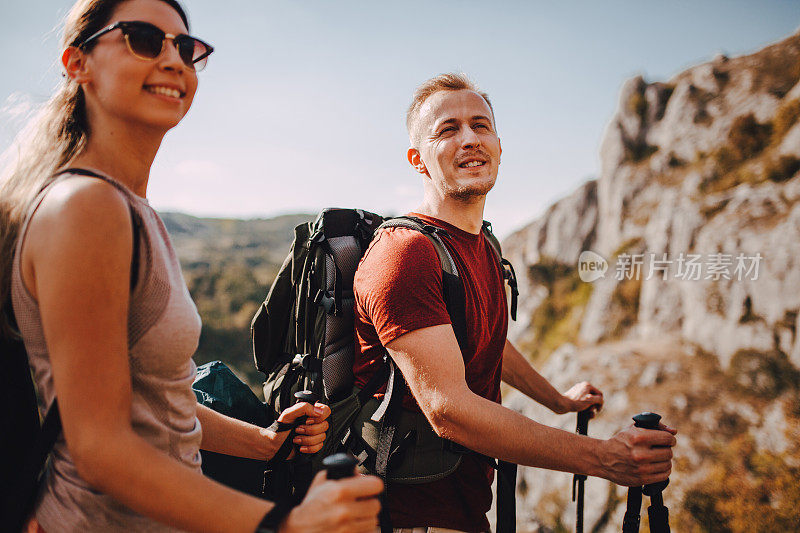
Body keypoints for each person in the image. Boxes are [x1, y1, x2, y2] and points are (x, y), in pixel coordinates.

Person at [0, 0, 382, 531]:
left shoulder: (131, 212)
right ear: (77, 63)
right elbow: (100, 447)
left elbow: (162, 403)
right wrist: (284, 524)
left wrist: (269, 443)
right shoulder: (87, 209)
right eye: (142, 38)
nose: (174, 59)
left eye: (186, 47)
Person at [352, 73, 677, 532]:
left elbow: (486, 341)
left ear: (500, 146)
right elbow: (449, 411)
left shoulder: (481, 244)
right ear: (418, 160)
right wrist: (604, 459)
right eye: (448, 130)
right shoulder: (406, 254)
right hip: (405, 514)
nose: (469, 139)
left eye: (480, 126)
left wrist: (557, 401)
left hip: (464, 502)